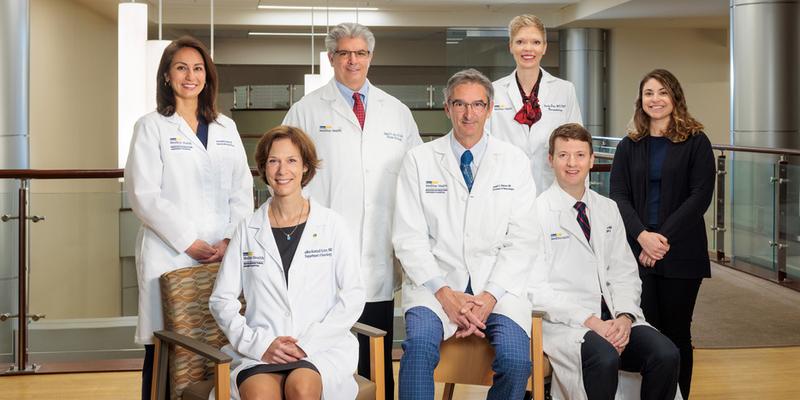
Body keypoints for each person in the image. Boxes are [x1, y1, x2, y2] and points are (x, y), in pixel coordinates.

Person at [282, 22, 422, 398]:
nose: (353, 60)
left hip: (378, 256)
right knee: (327, 362)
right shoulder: (306, 111)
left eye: (360, 53)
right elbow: (284, 178)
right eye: (344, 53)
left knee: (376, 361)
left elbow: (416, 183)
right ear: (331, 58)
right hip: (322, 257)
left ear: (371, 57)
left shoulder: (397, 113)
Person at [393, 69, 538, 400]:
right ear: (447, 108)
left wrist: (487, 298)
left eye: (477, 105)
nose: (468, 114)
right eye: (460, 104)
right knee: (416, 353)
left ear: (489, 109)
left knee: (517, 362)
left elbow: (523, 238)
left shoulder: (514, 161)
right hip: (435, 289)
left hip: (498, 290)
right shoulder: (419, 160)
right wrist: (446, 295)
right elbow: (408, 238)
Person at [125, 36, 254, 400]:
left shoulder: (226, 128)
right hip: (171, 253)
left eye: (198, 68)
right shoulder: (151, 126)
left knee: (217, 342)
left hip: (221, 254)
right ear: (167, 76)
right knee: (165, 347)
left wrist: (229, 239)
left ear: (207, 77)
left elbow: (242, 191)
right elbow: (144, 194)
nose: (190, 76)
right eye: (181, 67)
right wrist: (189, 242)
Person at [210, 126, 366, 400]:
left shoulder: (332, 225)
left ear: (306, 167)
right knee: (259, 395)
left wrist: (308, 344)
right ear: (263, 168)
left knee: (302, 388)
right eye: (274, 161)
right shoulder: (248, 229)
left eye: (292, 160)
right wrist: (259, 344)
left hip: (319, 349)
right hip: (262, 351)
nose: (283, 170)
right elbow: (221, 300)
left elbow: (353, 295)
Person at [530, 123, 680, 400]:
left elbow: (624, 272)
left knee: (666, 354)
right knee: (605, 358)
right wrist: (592, 322)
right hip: (569, 324)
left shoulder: (607, 208)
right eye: (563, 155)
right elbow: (536, 289)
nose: (572, 163)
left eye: (579, 155)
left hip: (616, 317)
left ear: (591, 160)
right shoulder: (536, 212)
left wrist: (624, 317)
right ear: (550, 160)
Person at [609, 69, 715, 399]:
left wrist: (660, 239)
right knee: (647, 333)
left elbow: (700, 195)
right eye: (649, 93)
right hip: (636, 253)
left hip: (681, 252)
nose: (655, 99)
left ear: (675, 98)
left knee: (678, 332)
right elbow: (618, 195)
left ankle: (679, 395)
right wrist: (642, 236)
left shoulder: (696, 141)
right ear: (640, 101)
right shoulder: (630, 145)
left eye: (662, 92)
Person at [487, 14, 582, 196]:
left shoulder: (565, 90)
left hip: (552, 189)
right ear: (511, 46)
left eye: (536, 42)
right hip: (505, 190)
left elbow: (578, 148)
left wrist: (579, 197)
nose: (528, 49)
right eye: (520, 42)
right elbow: (485, 145)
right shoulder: (493, 91)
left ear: (544, 47)